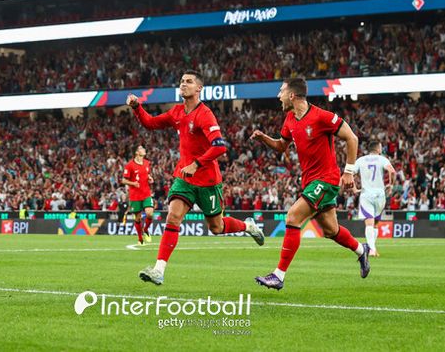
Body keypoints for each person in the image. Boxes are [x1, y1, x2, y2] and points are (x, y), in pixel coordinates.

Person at [127, 70, 264, 285]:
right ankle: (159, 270)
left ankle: (248, 227)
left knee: (216, 227)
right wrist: (137, 107)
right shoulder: (177, 112)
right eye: (182, 81)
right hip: (184, 178)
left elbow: (220, 146)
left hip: (208, 181)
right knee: (173, 217)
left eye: (189, 82)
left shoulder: (204, 114)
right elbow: (150, 123)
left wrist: (196, 164)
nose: (183, 84)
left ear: (199, 88)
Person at [251, 77, 369, 290]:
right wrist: (263, 138)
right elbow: (281, 146)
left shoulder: (322, 117)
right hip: (309, 181)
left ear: (292, 95)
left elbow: (352, 138)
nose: (278, 96)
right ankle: (362, 250)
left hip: (326, 179)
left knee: (293, 217)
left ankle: (278, 275)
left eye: (281, 91)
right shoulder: (289, 119)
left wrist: (349, 172)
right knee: (331, 230)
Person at [352, 140, 396, 257]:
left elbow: (350, 174)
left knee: (369, 223)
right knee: (375, 223)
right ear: (378, 149)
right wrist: (391, 185)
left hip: (366, 194)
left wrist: (354, 188)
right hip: (380, 195)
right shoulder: (382, 159)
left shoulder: (360, 160)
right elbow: (392, 171)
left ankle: (371, 249)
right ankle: (372, 248)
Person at [121, 145, 155, 245]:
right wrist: (133, 183)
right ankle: (140, 238)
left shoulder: (147, 163)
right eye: (141, 149)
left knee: (150, 213)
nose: (144, 150)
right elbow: (123, 180)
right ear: (136, 152)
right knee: (138, 218)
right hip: (135, 196)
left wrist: (150, 178)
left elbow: (147, 173)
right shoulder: (129, 165)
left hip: (146, 193)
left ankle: (146, 230)